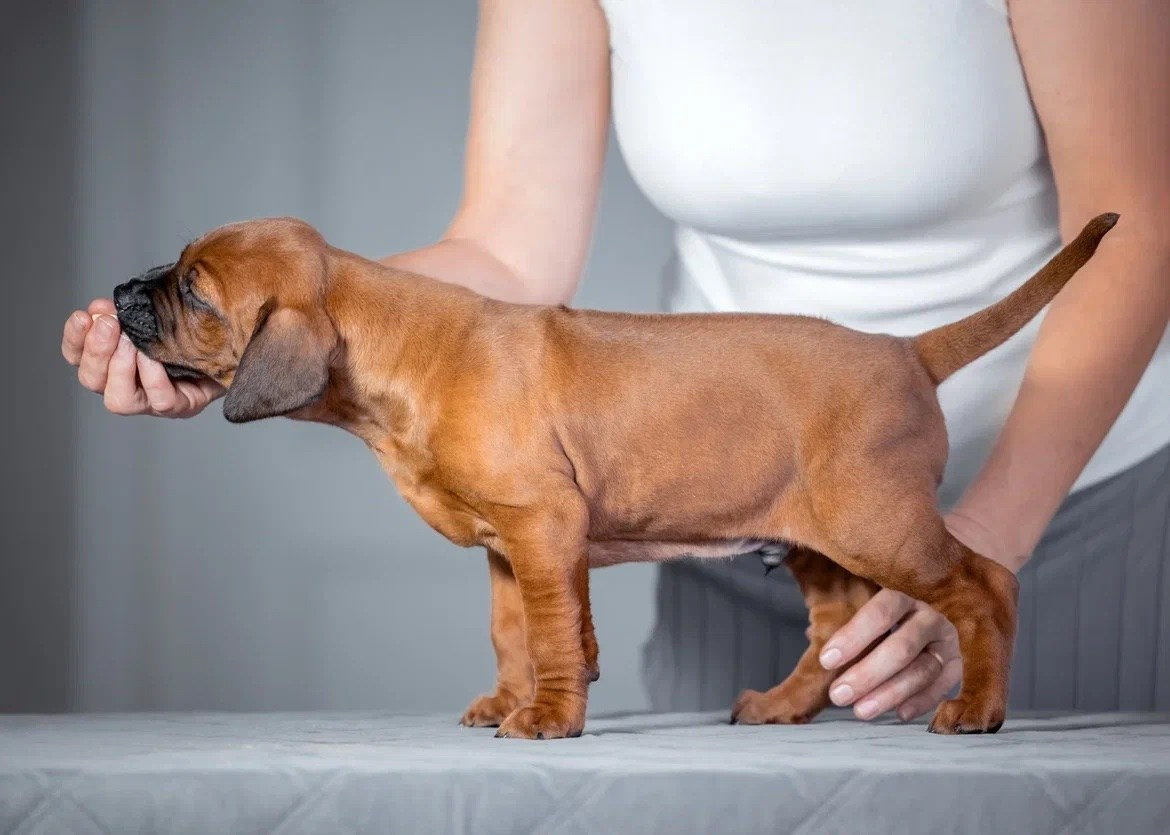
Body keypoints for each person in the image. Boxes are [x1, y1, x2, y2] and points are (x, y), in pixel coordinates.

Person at [63, 1, 1170, 719]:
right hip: (708, 494)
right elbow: (506, 249)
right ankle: (800, 654)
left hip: (1064, 495)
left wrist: (985, 536)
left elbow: (1138, 226)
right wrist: (230, 346)